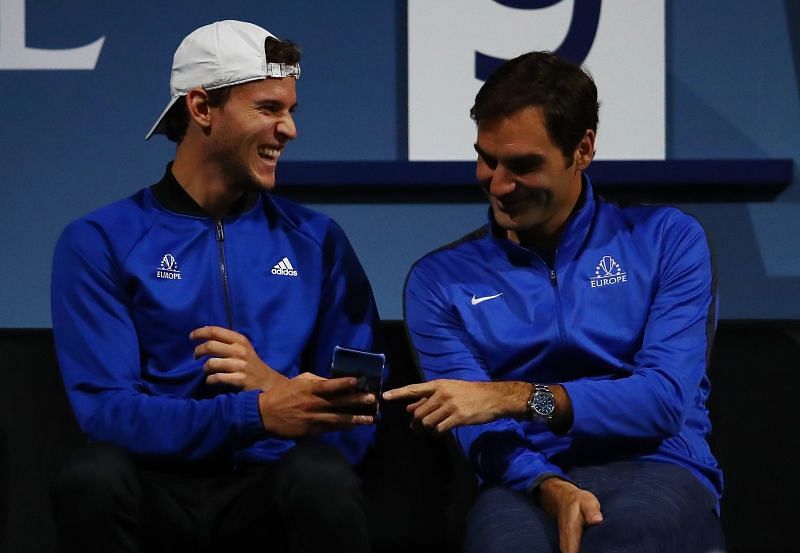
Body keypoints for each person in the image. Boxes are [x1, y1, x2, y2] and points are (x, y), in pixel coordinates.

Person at [51, 20, 382, 553]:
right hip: (153, 487)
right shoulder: (99, 240)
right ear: (202, 109)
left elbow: (361, 408)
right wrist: (253, 413)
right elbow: (106, 411)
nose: (289, 129)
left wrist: (272, 386)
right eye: (269, 109)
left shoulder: (319, 241)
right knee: (93, 476)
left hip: (271, 488)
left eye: (290, 110)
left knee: (324, 478)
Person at [383, 51, 725, 553]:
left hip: (660, 467)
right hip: (524, 482)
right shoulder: (439, 281)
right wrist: (549, 487)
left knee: (618, 542)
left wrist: (516, 396)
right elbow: (478, 433)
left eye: (523, 165)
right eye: (486, 158)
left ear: (582, 149)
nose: (498, 184)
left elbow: (663, 401)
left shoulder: (667, 240)